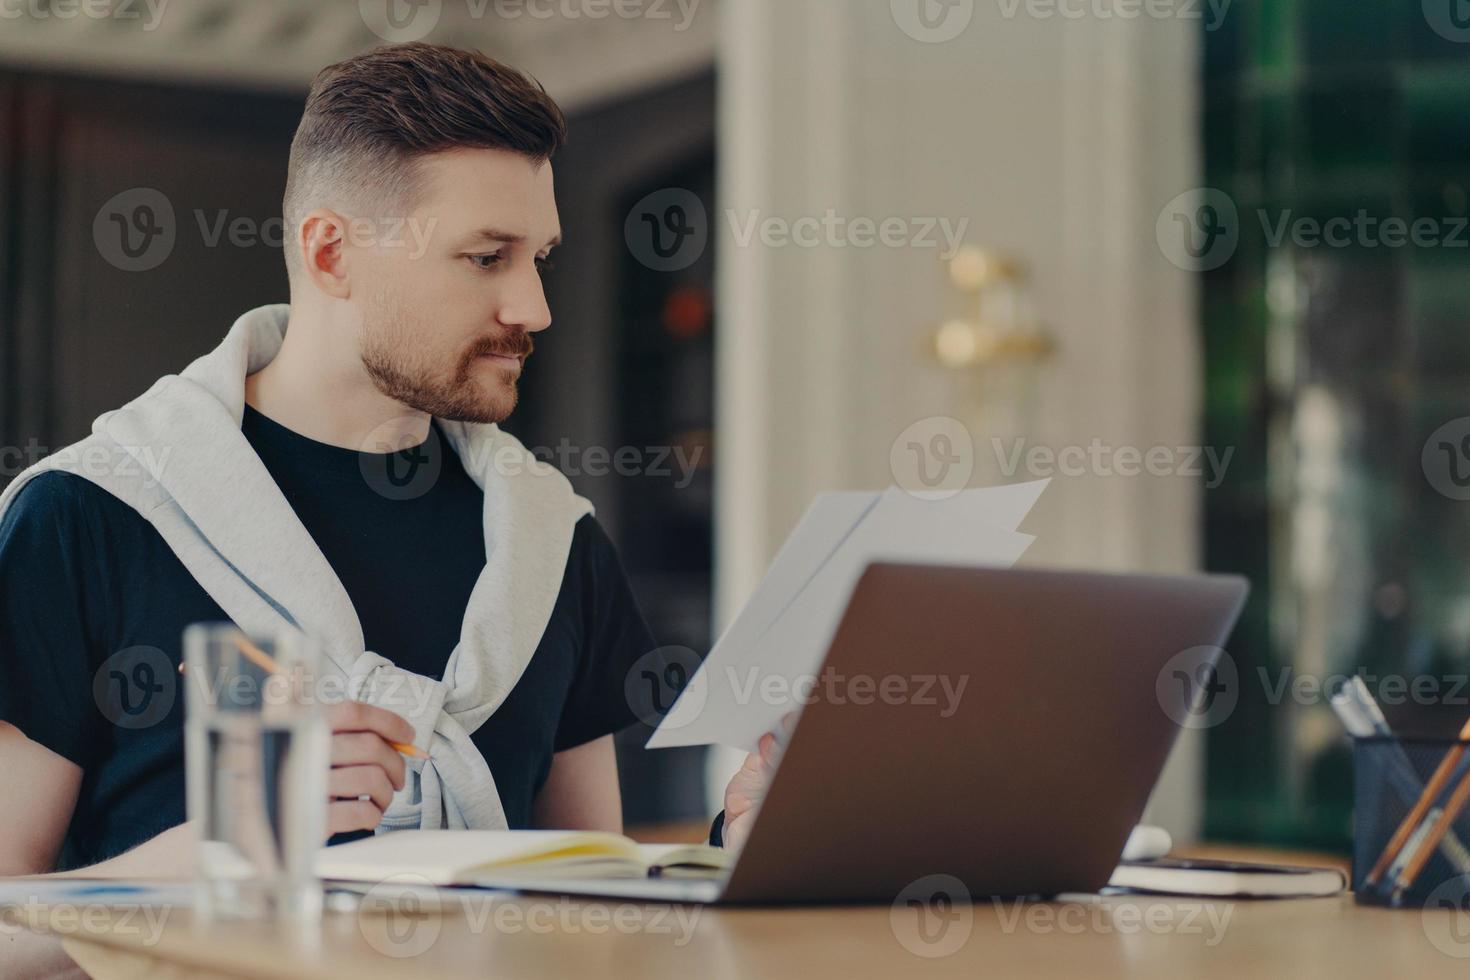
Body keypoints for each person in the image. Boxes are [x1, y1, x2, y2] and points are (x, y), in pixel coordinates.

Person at [0, 42, 772, 975]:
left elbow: (594, 923)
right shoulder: (85, 518)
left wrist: (741, 852)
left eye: (540, 259)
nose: (533, 305)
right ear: (331, 253)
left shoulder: (552, 541)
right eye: (487, 257)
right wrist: (217, 857)